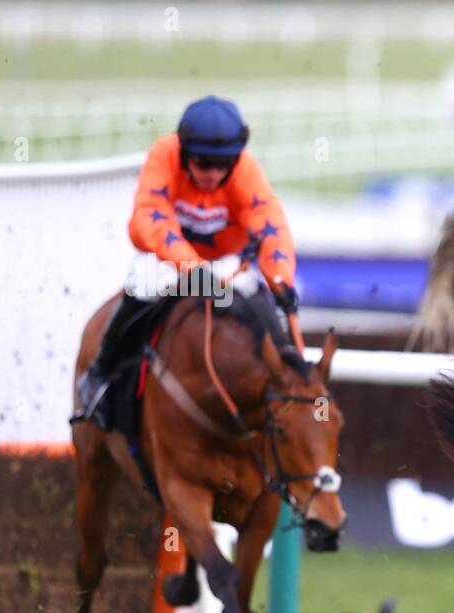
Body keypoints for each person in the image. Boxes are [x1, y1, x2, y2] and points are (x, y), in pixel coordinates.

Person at [74, 95, 298, 424]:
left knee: (264, 301)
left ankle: (290, 384)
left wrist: (280, 280)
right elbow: (150, 219)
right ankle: (100, 373)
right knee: (143, 286)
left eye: (223, 165)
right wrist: (193, 270)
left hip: (223, 262)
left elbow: (269, 223)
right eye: (204, 163)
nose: (213, 173)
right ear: (185, 153)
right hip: (165, 260)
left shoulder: (246, 169)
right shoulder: (163, 155)